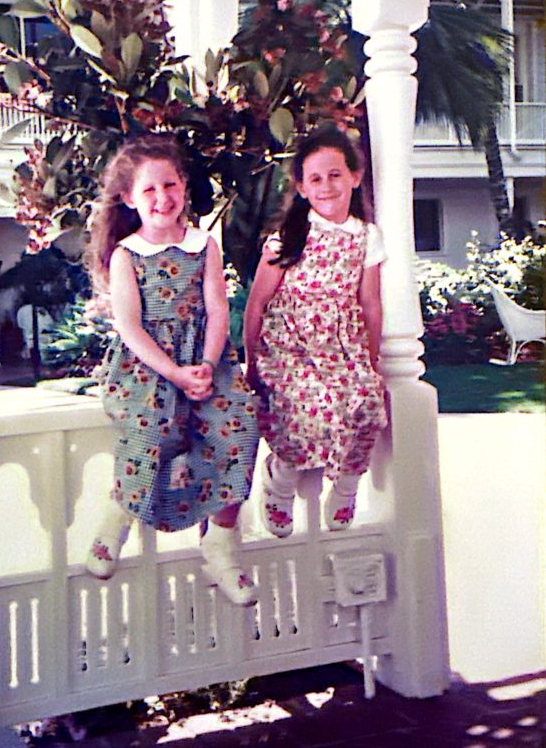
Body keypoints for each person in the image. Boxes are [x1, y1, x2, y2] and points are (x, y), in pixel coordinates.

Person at [84, 135, 259, 606]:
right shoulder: (126, 254)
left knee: (239, 424)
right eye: (149, 189)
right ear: (128, 198)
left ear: (183, 185)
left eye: (170, 185)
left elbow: (217, 309)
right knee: (153, 427)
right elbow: (130, 326)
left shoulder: (203, 245)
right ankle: (118, 518)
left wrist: (206, 364)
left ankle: (220, 543)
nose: (162, 197)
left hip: (205, 359)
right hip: (148, 365)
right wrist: (175, 374)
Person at [244, 122, 387, 535]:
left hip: (342, 344)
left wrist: (371, 358)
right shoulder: (288, 237)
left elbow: (370, 302)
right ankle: (280, 480)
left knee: (367, 403)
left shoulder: (366, 236)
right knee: (303, 406)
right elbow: (257, 303)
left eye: (335, 175)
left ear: (355, 177)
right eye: (316, 179)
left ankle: (346, 486)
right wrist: (251, 360)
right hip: (290, 346)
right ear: (302, 188)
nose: (326, 186)